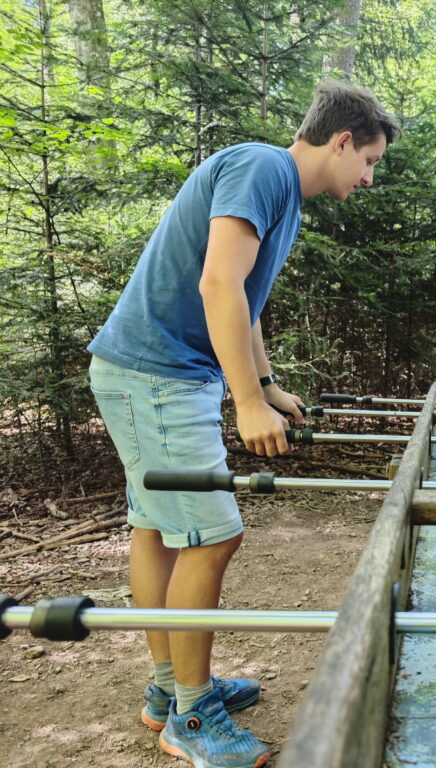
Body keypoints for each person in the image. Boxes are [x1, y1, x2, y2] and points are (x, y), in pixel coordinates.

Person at [87, 80, 398, 768]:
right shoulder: (264, 168)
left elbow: (245, 300)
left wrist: (265, 384)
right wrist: (246, 406)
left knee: (159, 530)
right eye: (369, 161)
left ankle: (171, 691)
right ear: (342, 140)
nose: (369, 178)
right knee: (214, 534)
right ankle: (194, 717)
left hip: (156, 373)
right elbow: (217, 285)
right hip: (158, 373)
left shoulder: (281, 193)